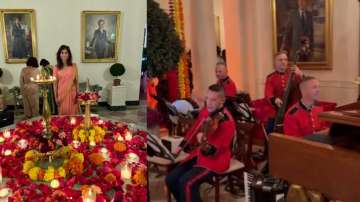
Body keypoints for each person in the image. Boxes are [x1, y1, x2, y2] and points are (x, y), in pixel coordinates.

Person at [166, 84, 235, 202]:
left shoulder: (227, 122)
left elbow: (212, 152)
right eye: (207, 98)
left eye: (213, 99)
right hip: (199, 155)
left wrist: (202, 141)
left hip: (215, 160)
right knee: (171, 178)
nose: (209, 103)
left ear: (222, 101)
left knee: (186, 182)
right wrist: (180, 147)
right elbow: (193, 131)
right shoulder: (206, 111)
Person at [53, 45, 79, 115]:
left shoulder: (74, 66)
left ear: (69, 54)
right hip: (61, 94)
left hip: (72, 93)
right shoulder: (56, 67)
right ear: (59, 54)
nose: (64, 54)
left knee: (73, 116)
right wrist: (55, 97)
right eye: (62, 52)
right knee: (63, 116)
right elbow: (55, 84)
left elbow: (76, 82)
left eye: (66, 53)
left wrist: (78, 94)